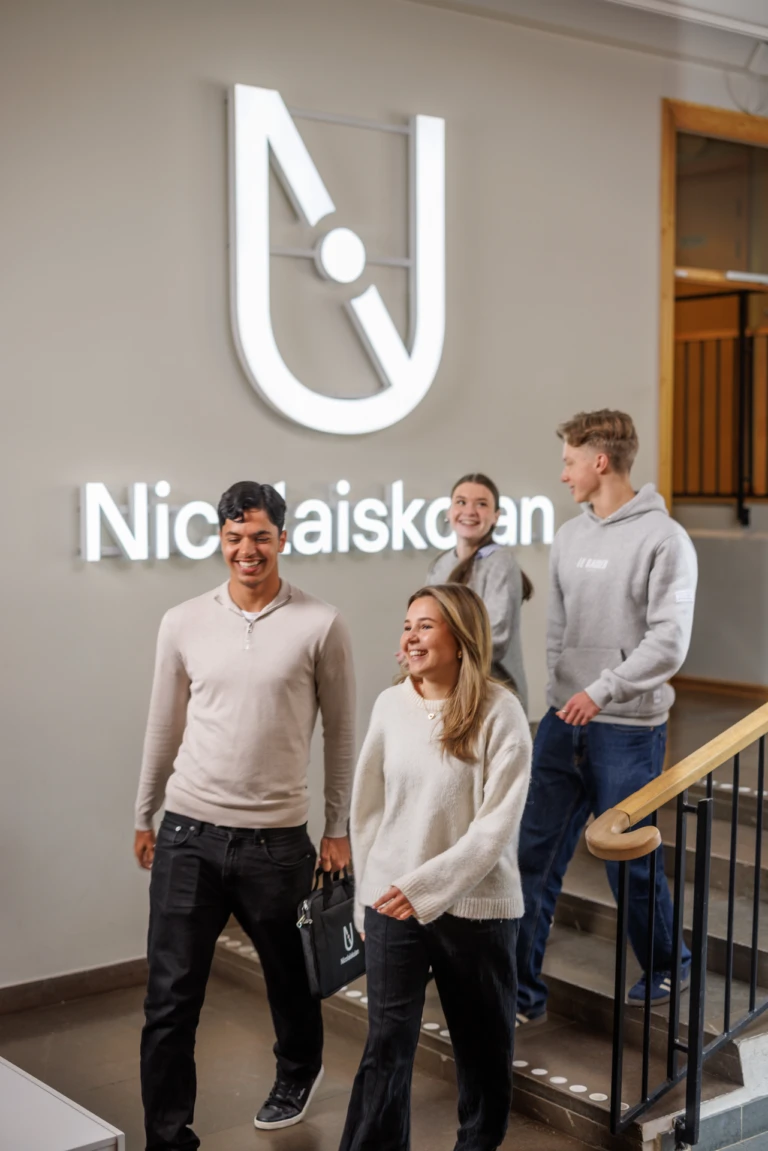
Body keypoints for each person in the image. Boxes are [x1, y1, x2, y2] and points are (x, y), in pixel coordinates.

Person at [133, 480, 355, 1149]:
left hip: (277, 843)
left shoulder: (321, 623)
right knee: (169, 999)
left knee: (292, 981)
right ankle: (168, 1136)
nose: (247, 550)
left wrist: (338, 826)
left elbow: (342, 733)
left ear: (282, 538)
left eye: (260, 536)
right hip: (188, 833)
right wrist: (145, 811)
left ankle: (299, 1072)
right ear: (221, 540)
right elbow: (163, 725)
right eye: (234, 538)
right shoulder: (182, 621)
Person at [516, 410, 697, 1026]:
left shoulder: (665, 540)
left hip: (628, 729)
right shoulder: (569, 536)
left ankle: (669, 963)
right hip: (562, 720)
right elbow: (558, 629)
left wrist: (602, 690)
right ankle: (521, 991)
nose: (563, 473)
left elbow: (669, 642)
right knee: (532, 857)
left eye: (570, 461)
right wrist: (562, 690)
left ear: (600, 461)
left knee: (629, 866)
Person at [341, 583, 532, 1151]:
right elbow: (367, 811)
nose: (411, 637)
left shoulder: (501, 711)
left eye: (425, 625)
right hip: (392, 903)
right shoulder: (390, 705)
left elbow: (495, 828)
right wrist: (366, 901)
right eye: (407, 626)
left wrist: (426, 887)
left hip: (478, 907)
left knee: (483, 1050)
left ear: (461, 635)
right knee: (386, 1046)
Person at [426, 473, 532, 713]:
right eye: (461, 502)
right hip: (450, 696)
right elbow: (428, 625)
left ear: (496, 516)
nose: (470, 511)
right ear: (449, 511)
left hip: (493, 700)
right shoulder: (440, 565)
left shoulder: (501, 563)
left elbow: (495, 639)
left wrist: (437, 653)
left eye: (481, 504)